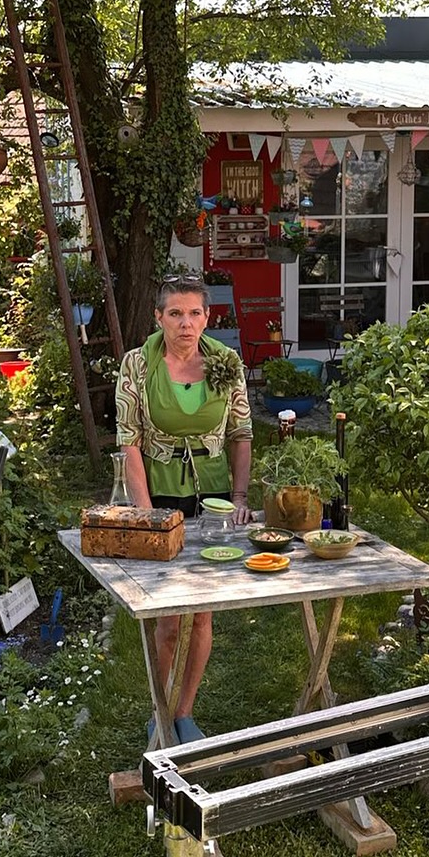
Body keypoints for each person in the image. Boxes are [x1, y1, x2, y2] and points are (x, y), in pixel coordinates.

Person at [116, 272, 253, 743]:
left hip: (212, 500)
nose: (185, 323)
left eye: (195, 313)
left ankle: (185, 711)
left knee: (203, 613)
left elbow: (241, 433)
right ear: (159, 318)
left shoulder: (226, 360)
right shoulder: (137, 364)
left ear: (207, 317)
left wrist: (239, 497)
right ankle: (161, 707)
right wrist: (147, 513)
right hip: (159, 495)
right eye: (175, 313)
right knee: (170, 618)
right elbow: (128, 441)